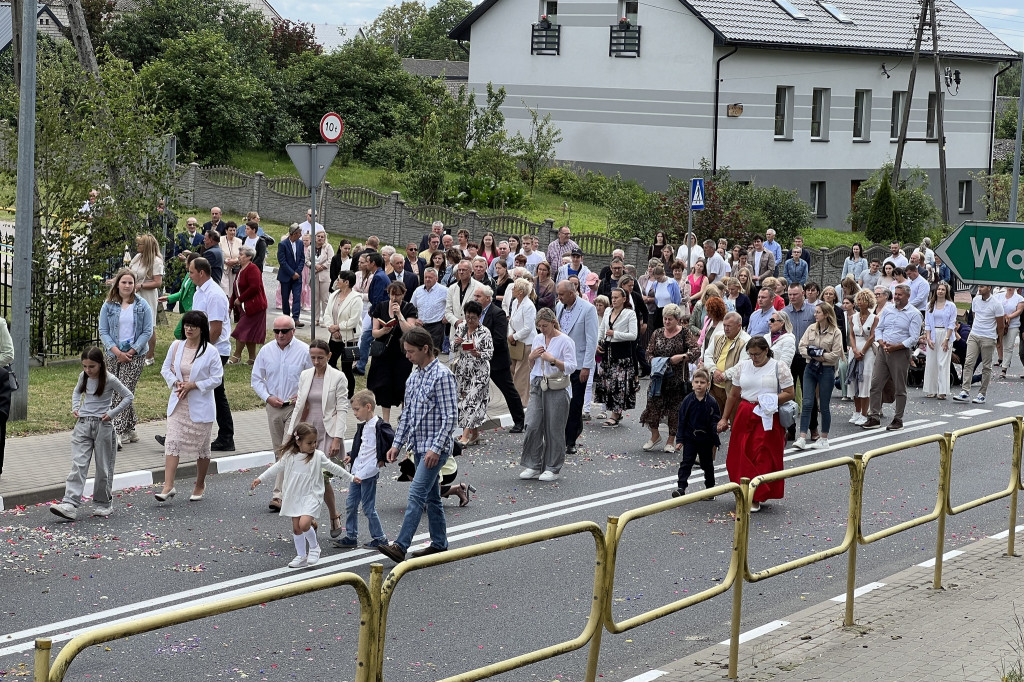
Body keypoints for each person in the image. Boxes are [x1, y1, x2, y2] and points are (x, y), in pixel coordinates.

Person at [376, 328, 458, 563]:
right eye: (406, 352)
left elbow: (450, 417)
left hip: (435, 449)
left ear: (425, 349)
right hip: (419, 448)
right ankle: (439, 543)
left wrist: (435, 448)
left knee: (416, 494)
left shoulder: (442, 376)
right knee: (432, 498)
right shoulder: (414, 376)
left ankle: (400, 546)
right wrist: (396, 444)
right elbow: (408, 415)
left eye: (411, 352)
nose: (407, 356)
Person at [252, 423, 354, 568]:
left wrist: (351, 477)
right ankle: (301, 556)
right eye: (309, 443)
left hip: (311, 495)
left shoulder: (318, 456)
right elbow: (276, 468)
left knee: (304, 523)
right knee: (296, 528)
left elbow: (333, 467)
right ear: (298, 442)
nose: (313, 446)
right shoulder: (290, 456)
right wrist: (260, 478)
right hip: (294, 496)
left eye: (315, 442)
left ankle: (314, 547)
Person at [49, 347, 134, 521]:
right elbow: (76, 391)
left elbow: (128, 396)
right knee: (78, 464)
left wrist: (112, 413)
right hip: (83, 425)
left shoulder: (110, 379)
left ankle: (103, 504)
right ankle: (70, 504)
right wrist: (75, 407)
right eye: (85, 366)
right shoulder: (83, 377)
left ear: (101, 365)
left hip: (103, 426)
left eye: (92, 366)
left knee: (103, 467)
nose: (88, 370)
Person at [717, 336, 795, 513]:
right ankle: (743, 490)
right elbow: (734, 394)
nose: (754, 358)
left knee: (761, 454)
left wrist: (770, 399)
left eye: (757, 354)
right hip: (745, 412)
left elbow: (789, 393)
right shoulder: (743, 366)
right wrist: (724, 418)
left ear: (766, 350)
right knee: (740, 453)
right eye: (751, 354)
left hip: (767, 415)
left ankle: (756, 496)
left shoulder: (778, 367)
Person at [155, 310, 224, 502]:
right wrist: (176, 382)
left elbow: (217, 378)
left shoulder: (210, 351)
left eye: (193, 326)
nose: (188, 329)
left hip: (200, 404)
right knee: (172, 442)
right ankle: (168, 485)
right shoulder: (177, 346)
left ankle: (200, 483)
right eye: (186, 325)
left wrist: (195, 385)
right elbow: (165, 369)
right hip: (178, 403)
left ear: (202, 329)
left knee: (202, 448)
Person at [288, 340, 351, 540]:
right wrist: (291, 434)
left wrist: (337, 439)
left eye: (320, 358)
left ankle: (333, 514)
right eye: (312, 357)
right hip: (307, 431)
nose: (316, 362)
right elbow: (299, 406)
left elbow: (342, 408)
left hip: (327, 431)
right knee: (306, 478)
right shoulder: (306, 375)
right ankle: (311, 518)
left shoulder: (338, 377)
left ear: (329, 356)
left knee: (321, 478)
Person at [251, 316, 313, 512]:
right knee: (280, 451)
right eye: (276, 331)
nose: (280, 335)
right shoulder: (266, 351)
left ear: (293, 331)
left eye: (284, 331)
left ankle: (278, 495)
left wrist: (302, 395)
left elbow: (312, 378)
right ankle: (296, 489)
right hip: (273, 407)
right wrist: (268, 397)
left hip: (295, 407)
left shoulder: (304, 351)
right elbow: (256, 379)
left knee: (287, 448)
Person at [519, 307, 578, 481]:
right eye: (539, 326)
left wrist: (553, 360)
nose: (542, 329)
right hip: (538, 383)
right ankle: (533, 464)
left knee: (554, 427)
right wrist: (531, 357)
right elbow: (532, 364)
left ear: (553, 323)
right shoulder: (538, 338)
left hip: (557, 384)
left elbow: (571, 366)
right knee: (532, 424)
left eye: (545, 326)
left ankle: (552, 466)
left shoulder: (565, 341)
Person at [98, 269, 153, 446]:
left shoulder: (142, 305)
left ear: (135, 285)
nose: (127, 286)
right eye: (124, 282)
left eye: (130, 283)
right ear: (117, 284)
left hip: (135, 355)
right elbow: (104, 331)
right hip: (113, 353)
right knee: (114, 389)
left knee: (124, 390)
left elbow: (147, 331)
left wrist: (131, 351)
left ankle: (117, 432)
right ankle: (130, 427)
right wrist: (116, 351)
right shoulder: (108, 305)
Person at [334, 390, 391, 549]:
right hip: (357, 470)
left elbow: (391, 442)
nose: (354, 413)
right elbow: (362, 446)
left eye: (357, 409)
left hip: (369, 471)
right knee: (351, 504)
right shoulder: (364, 426)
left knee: (367, 506)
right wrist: (352, 455)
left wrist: (382, 458)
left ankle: (380, 538)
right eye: (353, 410)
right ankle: (351, 536)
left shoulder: (380, 426)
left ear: (368, 407)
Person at [862, 284, 923, 430]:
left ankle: (898, 419)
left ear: (908, 296)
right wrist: (882, 342)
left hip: (900, 352)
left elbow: (914, 338)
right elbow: (880, 328)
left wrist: (896, 346)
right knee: (875, 384)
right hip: (884, 351)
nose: (896, 297)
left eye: (900, 295)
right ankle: (874, 416)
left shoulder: (914, 314)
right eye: (895, 294)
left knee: (899, 387)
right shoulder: (888, 309)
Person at [190, 257, 235, 451]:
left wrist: (202, 352)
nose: (189, 275)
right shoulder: (199, 292)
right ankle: (188, 432)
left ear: (201, 272)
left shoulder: (215, 295)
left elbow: (215, 329)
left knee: (216, 392)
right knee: (201, 391)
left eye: (191, 272)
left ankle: (226, 437)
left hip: (215, 350)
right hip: (202, 348)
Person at [640, 303, 697, 451]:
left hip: (676, 378)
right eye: (665, 319)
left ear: (677, 319)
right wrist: (655, 361)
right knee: (652, 405)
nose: (666, 322)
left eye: (670, 319)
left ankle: (670, 441)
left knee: (674, 410)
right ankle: (655, 436)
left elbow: (696, 351)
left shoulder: (684, 333)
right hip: (658, 378)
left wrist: (683, 357)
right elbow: (648, 353)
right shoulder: (657, 333)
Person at [555, 280, 599, 455]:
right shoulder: (559, 306)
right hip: (560, 362)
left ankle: (570, 440)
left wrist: (587, 367)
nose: (559, 298)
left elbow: (591, 339)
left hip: (579, 363)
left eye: (561, 294)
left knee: (575, 402)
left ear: (572, 293)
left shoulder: (588, 309)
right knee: (561, 402)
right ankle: (567, 432)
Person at [475, 286, 527, 432]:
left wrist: (480, 347)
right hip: (479, 361)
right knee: (476, 391)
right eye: (475, 296)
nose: (476, 299)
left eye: (478, 296)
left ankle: (519, 421)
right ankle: (475, 422)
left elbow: (498, 338)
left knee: (509, 391)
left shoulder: (497, 313)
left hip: (496, 360)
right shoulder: (475, 313)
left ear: (487, 298)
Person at [793, 302, 843, 451]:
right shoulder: (811, 328)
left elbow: (835, 355)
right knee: (807, 402)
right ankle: (801, 437)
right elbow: (801, 346)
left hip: (826, 370)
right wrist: (813, 354)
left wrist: (819, 355)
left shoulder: (836, 332)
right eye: (815, 312)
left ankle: (824, 437)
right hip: (810, 368)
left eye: (818, 312)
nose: (815, 315)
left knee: (824, 405)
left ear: (826, 314)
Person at [367, 282, 419, 422]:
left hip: (402, 353)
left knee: (402, 384)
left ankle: (404, 418)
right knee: (384, 386)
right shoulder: (381, 306)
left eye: (398, 294)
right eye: (392, 294)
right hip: (383, 354)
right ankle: (386, 421)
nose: (394, 297)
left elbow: (409, 330)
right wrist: (384, 330)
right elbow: (374, 333)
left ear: (403, 293)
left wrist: (399, 315)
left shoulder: (409, 308)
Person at [672, 368, 720, 498]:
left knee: (707, 464)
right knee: (686, 463)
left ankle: (710, 490)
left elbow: (715, 421)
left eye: (702, 382)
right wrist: (680, 440)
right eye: (696, 381)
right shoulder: (687, 401)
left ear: (708, 384)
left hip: (706, 439)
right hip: (690, 438)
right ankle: (681, 487)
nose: (699, 384)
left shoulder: (711, 402)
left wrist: (716, 437)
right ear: (692, 383)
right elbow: (682, 421)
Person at [594, 288, 639, 428]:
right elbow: (602, 329)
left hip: (622, 354)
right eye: (612, 297)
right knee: (608, 383)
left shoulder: (629, 314)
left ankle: (615, 414)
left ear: (624, 299)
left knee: (619, 386)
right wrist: (597, 343)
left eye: (616, 297)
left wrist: (615, 333)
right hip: (607, 352)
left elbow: (633, 335)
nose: (613, 300)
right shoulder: (607, 311)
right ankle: (615, 412)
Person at [451, 300, 494, 445]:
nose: (470, 321)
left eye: (473, 318)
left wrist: (478, 353)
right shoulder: (462, 327)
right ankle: (474, 434)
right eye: (468, 317)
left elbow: (490, 353)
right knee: (463, 400)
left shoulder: (484, 331)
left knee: (472, 401)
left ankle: (464, 436)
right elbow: (452, 348)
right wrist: (456, 342)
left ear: (479, 317)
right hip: (463, 371)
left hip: (479, 371)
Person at [953, 285, 1005, 405]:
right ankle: (965, 391)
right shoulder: (976, 300)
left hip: (988, 336)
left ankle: (982, 394)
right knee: (968, 362)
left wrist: (998, 339)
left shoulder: (996, 304)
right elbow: (975, 316)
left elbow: (1000, 325)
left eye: (982, 287)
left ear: (989, 288)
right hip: (974, 334)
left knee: (986, 366)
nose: (979, 289)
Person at [322, 270, 361, 398]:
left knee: (347, 368)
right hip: (334, 336)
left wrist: (338, 327)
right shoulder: (334, 295)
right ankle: (337, 385)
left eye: (339, 279)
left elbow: (353, 321)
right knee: (330, 362)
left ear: (346, 282)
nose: (336, 281)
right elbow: (327, 313)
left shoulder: (356, 299)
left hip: (349, 338)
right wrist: (332, 328)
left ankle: (349, 394)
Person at [782, 283, 815, 438]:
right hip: (789, 358)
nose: (792, 297)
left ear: (803, 293)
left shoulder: (813, 311)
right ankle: (790, 429)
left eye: (795, 294)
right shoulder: (784, 313)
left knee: (809, 395)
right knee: (788, 395)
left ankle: (813, 428)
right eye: (789, 294)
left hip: (806, 357)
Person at [702, 311, 751, 413]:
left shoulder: (746, 340)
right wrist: (714, 371)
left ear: (739, 326)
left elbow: (742, 365)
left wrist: (724, 376)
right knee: (713, 421)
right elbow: (707, 355)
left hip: (734, 389)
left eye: (729, 326)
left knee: (735, 424)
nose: (725, 328)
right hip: (714, 387)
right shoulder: (718, 336)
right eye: (724, 325)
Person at [128, 234, 163, 365]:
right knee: (134, 323)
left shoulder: (156, 261)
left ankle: (149, 356)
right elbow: (130, 272)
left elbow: (157, 282)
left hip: (147, 295)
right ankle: (136, 351)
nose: (137, 246)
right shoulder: (137, 258)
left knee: (148, 325)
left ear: (146, 246)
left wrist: (141, 285)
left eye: (140, 244)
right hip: (134, 295)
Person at [229, 245, 267, 365]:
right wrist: (231, 306)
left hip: (255, 306)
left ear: (249, 257)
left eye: (241, 255)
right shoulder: (241, 269)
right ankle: (252, 358)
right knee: (249, 332)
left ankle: (237, 356)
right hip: (245, 307)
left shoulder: (253, 268)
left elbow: (254, 287)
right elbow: (235, 289)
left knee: (242, 330)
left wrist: (240, 299)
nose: (239, 257)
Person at [922, 282, 957, 400]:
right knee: (931, 362)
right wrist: (928, 338)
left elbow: (952, 324)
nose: (940, 291)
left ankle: (942, 391)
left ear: (946, 292)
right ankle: (930, 389)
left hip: (945, 334)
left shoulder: (951, 306)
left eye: (943, 289)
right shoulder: (930, 305)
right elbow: (927, 323)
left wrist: (947, 339)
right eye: (939, 289)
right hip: (932, 334)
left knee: (942, 363)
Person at [848, 290, 877, 423]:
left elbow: (872, 336)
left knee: (865, 380)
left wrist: (863, 351)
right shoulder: (853, 317)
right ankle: (857, 411)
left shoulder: (874, 318)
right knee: (853, 379)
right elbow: (851, 335)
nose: (860, 302)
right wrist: (854, 349)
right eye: (858, 300)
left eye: (863, 300)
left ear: (869, 302)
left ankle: (865, 413)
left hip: (867, 350)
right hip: (854, 349)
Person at [162, 252, 199, 340]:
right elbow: (182, 292)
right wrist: (168, 298)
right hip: (187, 309)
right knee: (181, 333)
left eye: (187, 260)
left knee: (179, 333)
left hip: (192, 309)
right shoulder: (187, 275)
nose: (185, 262)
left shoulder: (196, 278)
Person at [411, 267, 448, 352]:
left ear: (436, 278)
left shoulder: (444, 290)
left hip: (436, 326)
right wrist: (415, 319)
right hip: (420, 326)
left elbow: (453, 305)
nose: (427, 279)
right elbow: (411, 307)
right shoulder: (418, 290)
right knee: (420, 351)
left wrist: (447, 316)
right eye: (426, 277)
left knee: (432, 351)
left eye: (430, 277)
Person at [277, 224, 306, 327]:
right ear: (294, 234)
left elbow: (302, 259)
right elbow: (282, 261)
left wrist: (297, 272)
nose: (300, 235)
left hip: (297, 276)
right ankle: (286, 318)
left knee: (297, 297)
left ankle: (295, 318)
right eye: (299, 233)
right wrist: (291, 273)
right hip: (286, 276)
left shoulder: (300, 243)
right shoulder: (283, 244)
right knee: (285, 297)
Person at [998, 287, 1024, 378]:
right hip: (1000, 324)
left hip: (1013, 325)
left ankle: (1004, 369)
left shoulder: (1019, 298)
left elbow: (1019, 310)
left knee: (1008, 347)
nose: (1010, 287)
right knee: (999, 344)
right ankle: (999, 360)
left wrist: (1008, 317)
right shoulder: (999, 296)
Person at [310, 231, 334, 324]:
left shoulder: (328, 247)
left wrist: (322, 267)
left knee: (325, 299)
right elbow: (307, 260)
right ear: (315, 237)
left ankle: (325, 318)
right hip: (314, 274)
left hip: (324, 275)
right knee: (315, 298)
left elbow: (330, 260)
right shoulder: (310, 248)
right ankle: (315, 319)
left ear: (325, 238)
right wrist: (314, 266)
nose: (320, 238)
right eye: (318, 236)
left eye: (322, 237)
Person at [220, 221, 242, 299]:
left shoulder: (239, 241)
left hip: (234, 269)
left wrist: (235, 261)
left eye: (234, 230)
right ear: (226, 231)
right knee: (224, 289)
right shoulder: (221, 240)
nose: (232, 232)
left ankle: (231, 307)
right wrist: (225, 260)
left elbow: (241, 255)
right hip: (224, 269)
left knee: (233, 291)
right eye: (230, 230)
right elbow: (219, 254)